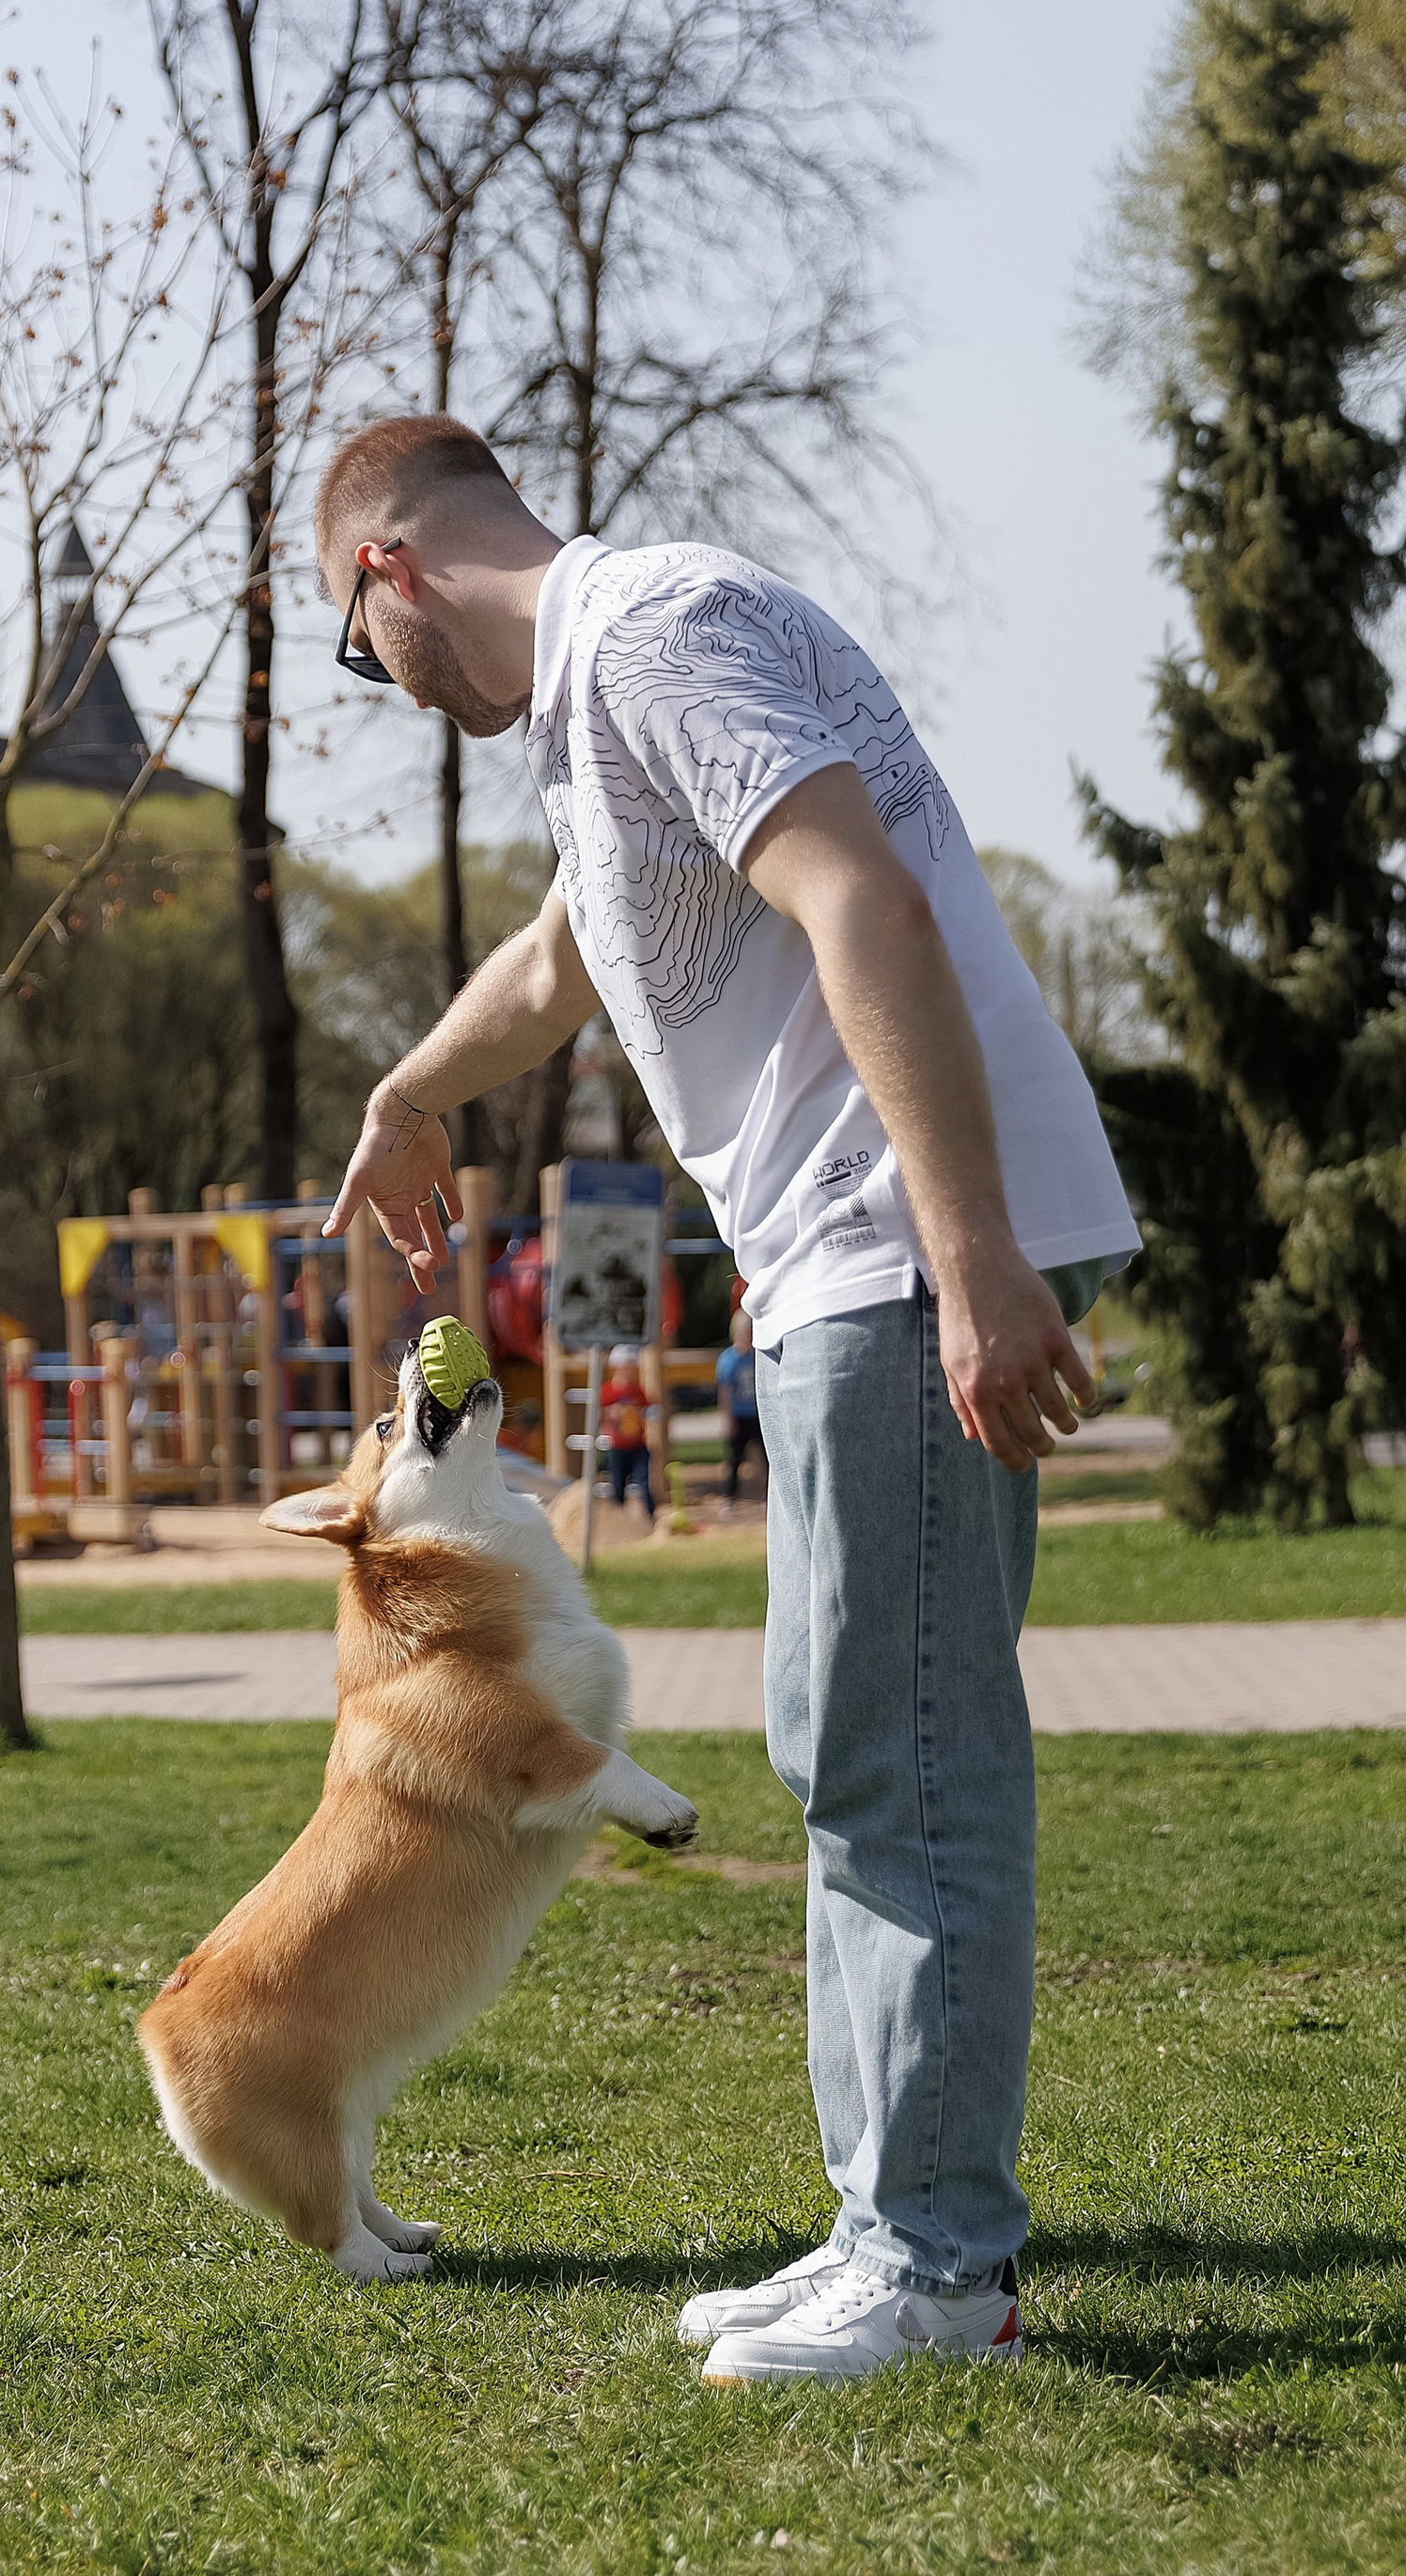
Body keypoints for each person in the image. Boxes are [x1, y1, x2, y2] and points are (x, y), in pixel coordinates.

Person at [317, 414, 1137, 2387]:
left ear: (386, 569)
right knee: (844, 1739)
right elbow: (559, 959)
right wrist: (413, 1094)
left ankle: (937, 2271)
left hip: (896, 1238)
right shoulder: (604, 695)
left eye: (357, 649)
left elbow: (859, 901)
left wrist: (965, 1257)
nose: (384, 687)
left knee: (900, 1753)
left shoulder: (656, 629)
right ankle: (886, 2229)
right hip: (854, 1249)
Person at [716, 1304, 763, 1507]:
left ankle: (769, 1494)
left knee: (767, 1456)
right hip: (739, 1414)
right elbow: (725, 1392)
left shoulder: (758, 1355)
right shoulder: (729, 1359)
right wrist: (728, 1419)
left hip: (758, 1414)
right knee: (735, 1458)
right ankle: (731, 1495)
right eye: (744, 1333)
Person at [599, 1343, 653, 1516]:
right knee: (617, 1484)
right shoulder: (607, 1390)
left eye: (633, 1368)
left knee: (644, 1480)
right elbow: (599, 1414)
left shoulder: (637, 1390)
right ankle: (619, 1516)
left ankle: (651, 1515)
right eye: (627, 1367)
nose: (631, 1372)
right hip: (618, 1445)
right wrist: (613, 1412)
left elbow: (647, 1408)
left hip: (637, 1444)